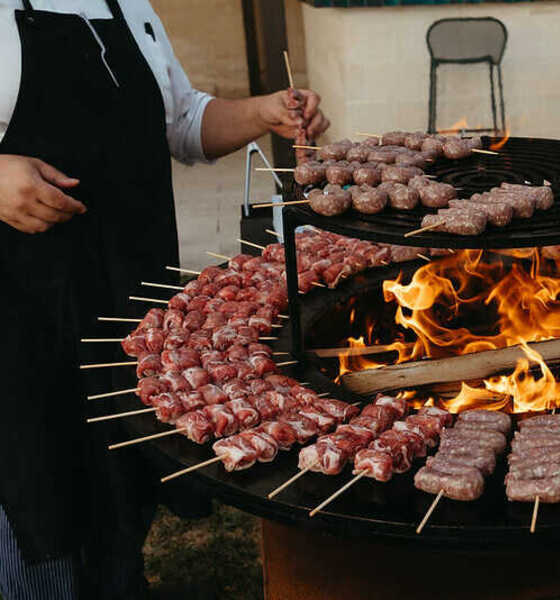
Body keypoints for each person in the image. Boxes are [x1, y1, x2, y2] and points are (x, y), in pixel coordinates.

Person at [0, 1, 329, 598]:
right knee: (32, 470)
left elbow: (180, 122)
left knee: (120, 468)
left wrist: (261, 110)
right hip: (18, 302)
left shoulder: (123, 4)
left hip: (128, 293)